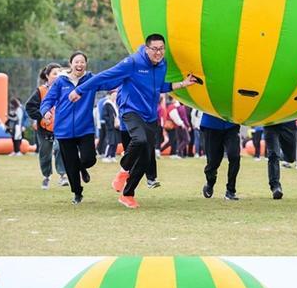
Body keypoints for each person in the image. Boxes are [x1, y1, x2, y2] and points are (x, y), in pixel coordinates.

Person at [67, 33, 196, 209]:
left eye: (161, 49)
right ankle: (123, 169)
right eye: (155, 49)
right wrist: (80, 90)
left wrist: (182, 83)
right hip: (130, 109)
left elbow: (159, 87)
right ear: (147, 48)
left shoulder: (162, 65)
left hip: (150, 115)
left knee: (145, 157)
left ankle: (127, 194)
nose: (158, 53)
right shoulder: (133, 63)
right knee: (140, 140)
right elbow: (104, 76)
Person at [40, 52, 97, 204]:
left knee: (89, 159)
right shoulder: (61, 82)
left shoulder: (91, 79)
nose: (79, 65)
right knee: (70, 165)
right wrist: (45, 112)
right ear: (70, 64)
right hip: (64, 130)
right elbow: (48, 100)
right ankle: (77, 193)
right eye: (76, 62)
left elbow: (109, 81)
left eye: (82, 62)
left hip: (85, 128)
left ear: (86, 63)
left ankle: (82, 167)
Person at [26, 62, 68, 189]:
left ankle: (63, 175)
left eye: (59, 73)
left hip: (60, 128)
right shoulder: (41, 91)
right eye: (54, 73)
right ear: (47, 75)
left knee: (60, 148)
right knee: (45, 153)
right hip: (44, 129)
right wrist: (41, 116)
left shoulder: (65, 89)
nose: (57, 76)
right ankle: (46, 176)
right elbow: (29, 107)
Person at [200, 112, 241, 200]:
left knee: (235, 156)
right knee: (213, 162)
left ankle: (231, 190)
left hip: (231, 123)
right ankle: (210, 182)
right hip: (211, 124)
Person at [263, 120, 297, 200]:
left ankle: (280, 155)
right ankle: (275, 187)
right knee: (273, 155)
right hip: (270, 122)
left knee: (291, 157)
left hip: (288, 122)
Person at [101, 90, 120, 162]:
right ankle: (106, 156)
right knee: (110, 141)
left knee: (115, 141)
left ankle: (112, 155)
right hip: (110, 126)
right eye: (114, 95)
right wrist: (110, 123)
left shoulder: (114, 104)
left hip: (116, 126)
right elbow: (104, 116)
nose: (115, 97)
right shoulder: (107, 104)